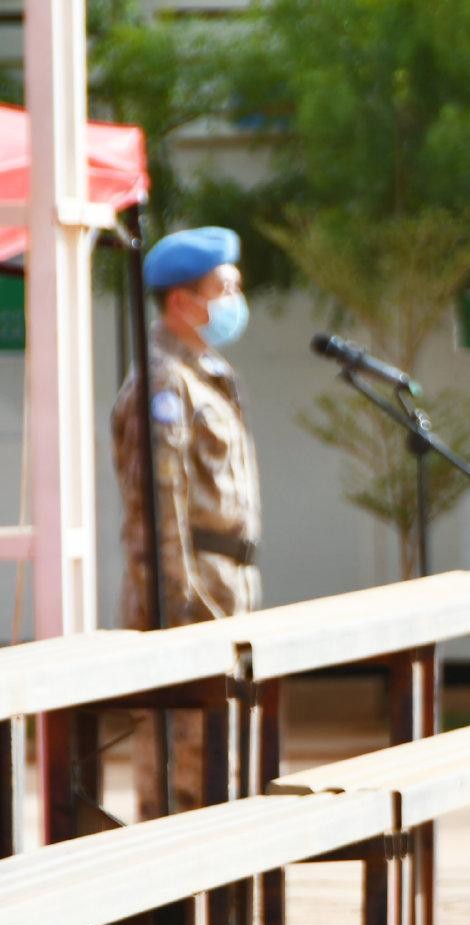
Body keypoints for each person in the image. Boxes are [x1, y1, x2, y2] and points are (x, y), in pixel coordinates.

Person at [111, 226, 261, 820]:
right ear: (181, 301)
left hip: (227, 589)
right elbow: (156, 511)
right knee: (184, 778)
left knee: (224, 769)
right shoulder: (163, 385)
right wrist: (180, 609)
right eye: (224, 289)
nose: (235, 302)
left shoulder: (206, 375)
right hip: (190, 600)